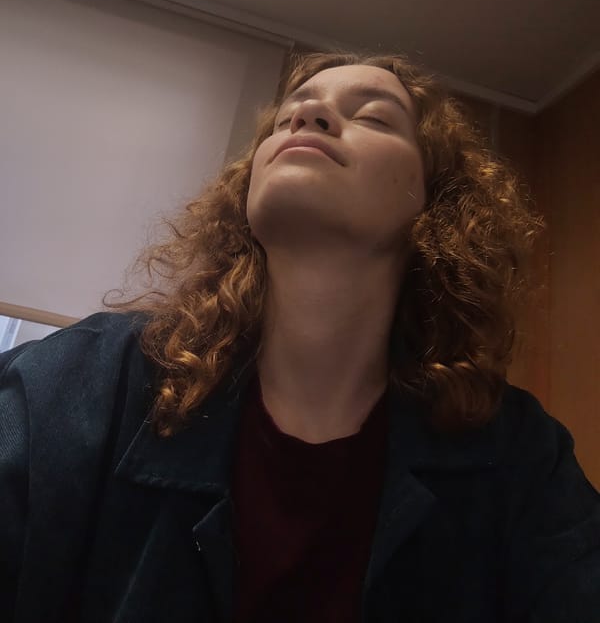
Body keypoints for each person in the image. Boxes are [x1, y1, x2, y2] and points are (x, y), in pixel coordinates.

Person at [1, 51, 599, 623]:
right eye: (293, 110)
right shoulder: (85, 380)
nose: (305, 117)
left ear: (434, 204)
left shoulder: (518, 455)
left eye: (373, 117)